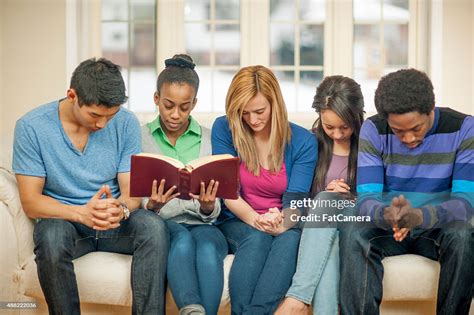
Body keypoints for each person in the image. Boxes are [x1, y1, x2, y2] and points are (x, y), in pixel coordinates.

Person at [12, 58, 169, 314]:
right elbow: (31, 201)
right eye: (95, 115)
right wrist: (81, 213)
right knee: (50, 235)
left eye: (110, 116)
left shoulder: (126, 122)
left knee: (153, 226)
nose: (102, 124)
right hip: (67, 222)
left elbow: (131, 194)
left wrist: (120, 209)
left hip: (113, 222)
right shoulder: (32, 127)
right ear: (72, 96)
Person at [340, 68, 474, 314]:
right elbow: (366, 200)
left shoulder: (464, 128)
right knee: (353, 229)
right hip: (390, 228)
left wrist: (420, 217)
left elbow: (465, 204)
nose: (409, 138)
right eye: (398, 131)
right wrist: (388, 214)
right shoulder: (374, 129)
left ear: (430, 110)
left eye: (416, 128)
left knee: (464, 234)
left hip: (437, 228)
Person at [211, 65, 318, 315]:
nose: (252, 120)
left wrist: (281, 224)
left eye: (260, 111)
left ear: (275, 104)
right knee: (257, 238)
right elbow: (228, 194)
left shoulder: (303, 141)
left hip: (283, 221)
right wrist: (257, 220)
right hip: (239, 219)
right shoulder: (225, 128)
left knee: (290, 238)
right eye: (244, 113)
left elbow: (297, 201)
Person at [141, 54, 228, 315]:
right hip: (163, 224)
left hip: (203, 224)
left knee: (209, 247)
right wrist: (152, 205)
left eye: (184, 107)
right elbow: (134, 194)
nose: (175, 114)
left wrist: (208, 206)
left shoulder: (211, 139)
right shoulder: (139, 136)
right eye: (168, 105)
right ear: (156, 99)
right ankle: (191, 309)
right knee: (180, 241)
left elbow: (218, 204)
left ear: (194, 103)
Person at [276, 75, 364, 315]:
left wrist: (347, 198)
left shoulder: (370, 144)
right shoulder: (309, 142)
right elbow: (296, 198)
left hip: (354, 223)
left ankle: (297, 298)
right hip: (317, 225)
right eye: (329, 127)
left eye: (344, 127)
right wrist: (324, 196)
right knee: (329, 233)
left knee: (329, 205)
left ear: (358, 115)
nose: (337, 134)